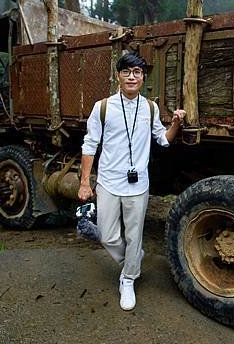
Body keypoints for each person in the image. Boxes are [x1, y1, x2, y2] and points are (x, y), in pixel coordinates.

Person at [78, 52, 186, 311]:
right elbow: (90, 144)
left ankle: (128, 279)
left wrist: (176, 124)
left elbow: (163, 139)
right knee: (106, 234)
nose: (131, 76)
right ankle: (132, 259)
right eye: (126, 71)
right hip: (108, 182)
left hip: (138, 185)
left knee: (135, 234)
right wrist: (84, 182)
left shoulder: (150, 107)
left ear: (143, 78)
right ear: (118, 76)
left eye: (136, 72)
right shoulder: (102, 107)